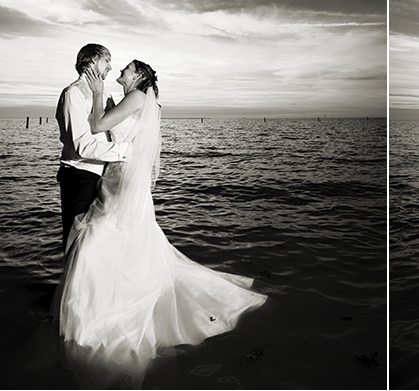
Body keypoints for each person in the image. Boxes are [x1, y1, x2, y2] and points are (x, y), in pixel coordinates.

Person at [51, 59, 266, 388]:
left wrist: (96, 93)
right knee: (121, 241)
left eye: (124, 69)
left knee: (99, 238)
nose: (118, 72)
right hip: (123, 180)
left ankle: (98, 312)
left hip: (120, 181)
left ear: (137, 76)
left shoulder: (136, 97)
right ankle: (114, 299)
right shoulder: (146, 102)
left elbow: (95, 126)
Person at [55, 43, 130, 249]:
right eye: (107, 61)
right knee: (76, 239)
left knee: (99, 242)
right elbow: (82, 146)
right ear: (93, 60)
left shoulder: (105, 95)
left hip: (104, 176)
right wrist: (124, 152)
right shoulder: (73, 94)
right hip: (80, 175)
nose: (110, 67)